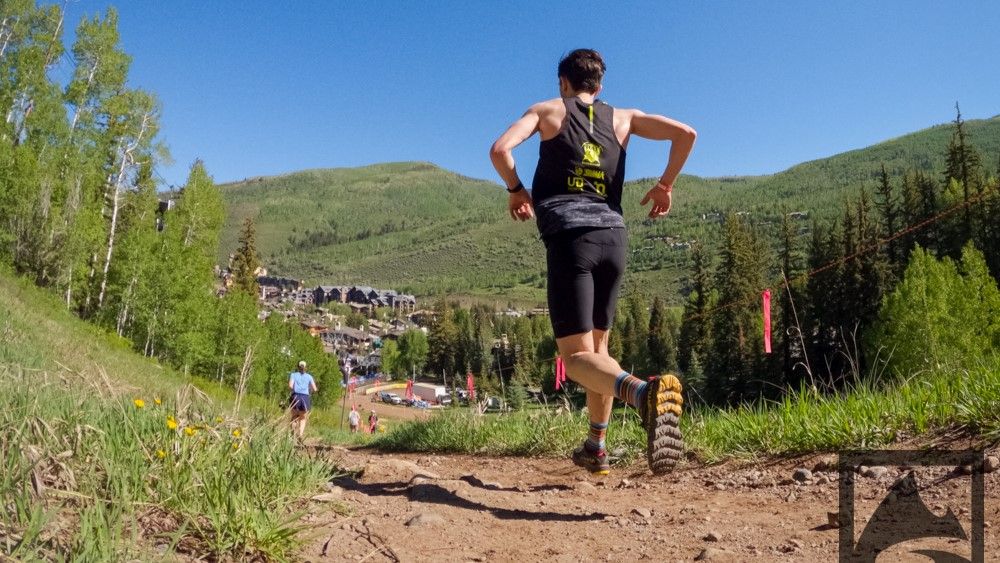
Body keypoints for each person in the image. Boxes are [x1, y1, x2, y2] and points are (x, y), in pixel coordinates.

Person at [489, 49, 696, 475]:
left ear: (563, 83)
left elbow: (499, 149)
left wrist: (515, 188)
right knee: (599, 351)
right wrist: (665, 185)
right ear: (599, 87)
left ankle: (643, 395)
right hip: (613, 238)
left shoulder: (547, 111)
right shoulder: (624, 118)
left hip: (570, 239)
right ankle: (596, 446)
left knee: (575, 357)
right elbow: (686, 134)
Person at [288, 360, 318, 440]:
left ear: (298, 367)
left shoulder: (293, 375)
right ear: (306, 367)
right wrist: (309, 390)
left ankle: (292, 434)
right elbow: (315, 389)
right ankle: (300, 435)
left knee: (294, 417)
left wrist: (295, 389)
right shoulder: (309, 376)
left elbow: (290, 386)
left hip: (295, 396)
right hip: (305, 398)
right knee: (302, 418)